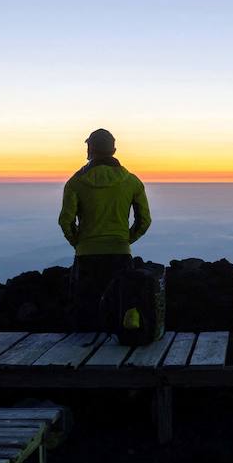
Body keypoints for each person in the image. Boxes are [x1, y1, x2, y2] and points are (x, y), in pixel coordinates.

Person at [58, 128, 152, 329]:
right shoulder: (132, 182)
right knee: (120, 310)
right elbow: (144, 220)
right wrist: (125, 240)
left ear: (89, 150)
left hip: (86, 256)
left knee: (85, 314)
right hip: (120, 253)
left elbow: (65, 221)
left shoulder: (75, 182)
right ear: (114, 150)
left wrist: (79, 243)